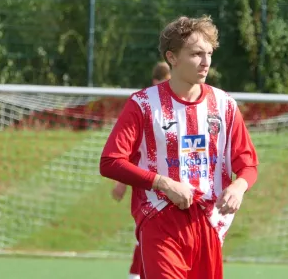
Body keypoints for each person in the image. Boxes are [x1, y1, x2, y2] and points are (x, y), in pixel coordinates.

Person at [100, 15, 259, 279]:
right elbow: (110, 161)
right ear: (172, 58)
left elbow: (248, 164)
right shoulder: (143, 104)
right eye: (196, 54)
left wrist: (239, 186)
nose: (206, 62)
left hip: (209, 223)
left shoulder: (225, 105)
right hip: (159, 218)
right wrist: (164, 183)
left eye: (209, 53)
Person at [111, 61, 171, 279]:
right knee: (147, 238)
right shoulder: (146, 107)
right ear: (156, 82)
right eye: (166, 82)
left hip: (176, 188)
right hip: (150, 190)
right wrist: (121, 183)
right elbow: (132, 152)